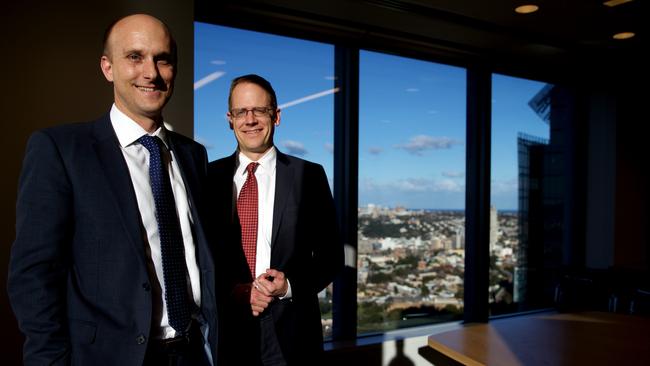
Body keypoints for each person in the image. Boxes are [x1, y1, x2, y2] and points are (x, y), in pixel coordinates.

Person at [7, 14, 217, 365]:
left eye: (162, 59)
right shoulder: (61, 149)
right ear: (108, 67)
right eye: (135, 57)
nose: (151, 72)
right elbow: (33, 276)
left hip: (195, 352)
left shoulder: (192, 155)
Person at [209, 74, 343, 365]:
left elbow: (331, 256)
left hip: (289, 329)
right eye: (241, 112)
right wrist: (235, 291)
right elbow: (197, 256)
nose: (251, 119)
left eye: (260, 110)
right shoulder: (208, 177)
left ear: (276, 116)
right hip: (226, 326)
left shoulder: (309, 176)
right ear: (230, 119)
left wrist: (289, 285)